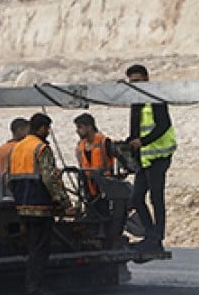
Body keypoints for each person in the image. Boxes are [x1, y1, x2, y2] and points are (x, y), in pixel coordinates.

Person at [8, 113, 76, 295]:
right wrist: (64, 203)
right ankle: (34, 289)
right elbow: (50, 178)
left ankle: (31, 286)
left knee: (31, 248)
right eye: (47, 129)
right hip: (40, 207)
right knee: (40, 250)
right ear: (42, 128)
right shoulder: (41, 148)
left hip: (22, 207)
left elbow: (9, 178)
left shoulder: (16, 148)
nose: (48, 132)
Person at [125, 64, 175, 253]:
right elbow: (134, 131)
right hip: (145, 159)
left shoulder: (155, 99)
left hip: (159, 157)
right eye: (132, 82)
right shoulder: (136, 101)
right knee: (137, 197)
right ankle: (150, 234)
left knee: (156, 198)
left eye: (138, 81)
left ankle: (156, 238)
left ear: (147, 78)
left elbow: (163, 125)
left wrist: (143, 141)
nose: (136, 85)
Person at [73, 113, 116, 207]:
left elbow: (121, 158)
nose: (77, 131)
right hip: (88, 190)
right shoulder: (80, 146)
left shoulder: (105, 142)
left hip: (105, 188)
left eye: (80, 127)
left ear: (90, 127)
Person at [0, 117, 31, 200]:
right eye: (28, 130)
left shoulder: (0, 151)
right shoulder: (26, 149)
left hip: (5, 197)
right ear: (20, 130)